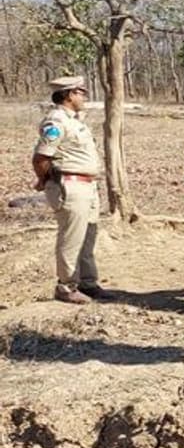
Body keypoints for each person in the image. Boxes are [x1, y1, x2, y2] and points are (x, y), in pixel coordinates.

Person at [31, 75, 111, 304]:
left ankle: (88, 282)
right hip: (70, 185)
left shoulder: (75, 121)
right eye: (81, 92)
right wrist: (45, 179)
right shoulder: (56, 122)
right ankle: (66, 286)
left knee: (87, 236)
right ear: (69, 95)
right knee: (71, 237)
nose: (84, 96)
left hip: (87, 185)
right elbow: (41, 157)